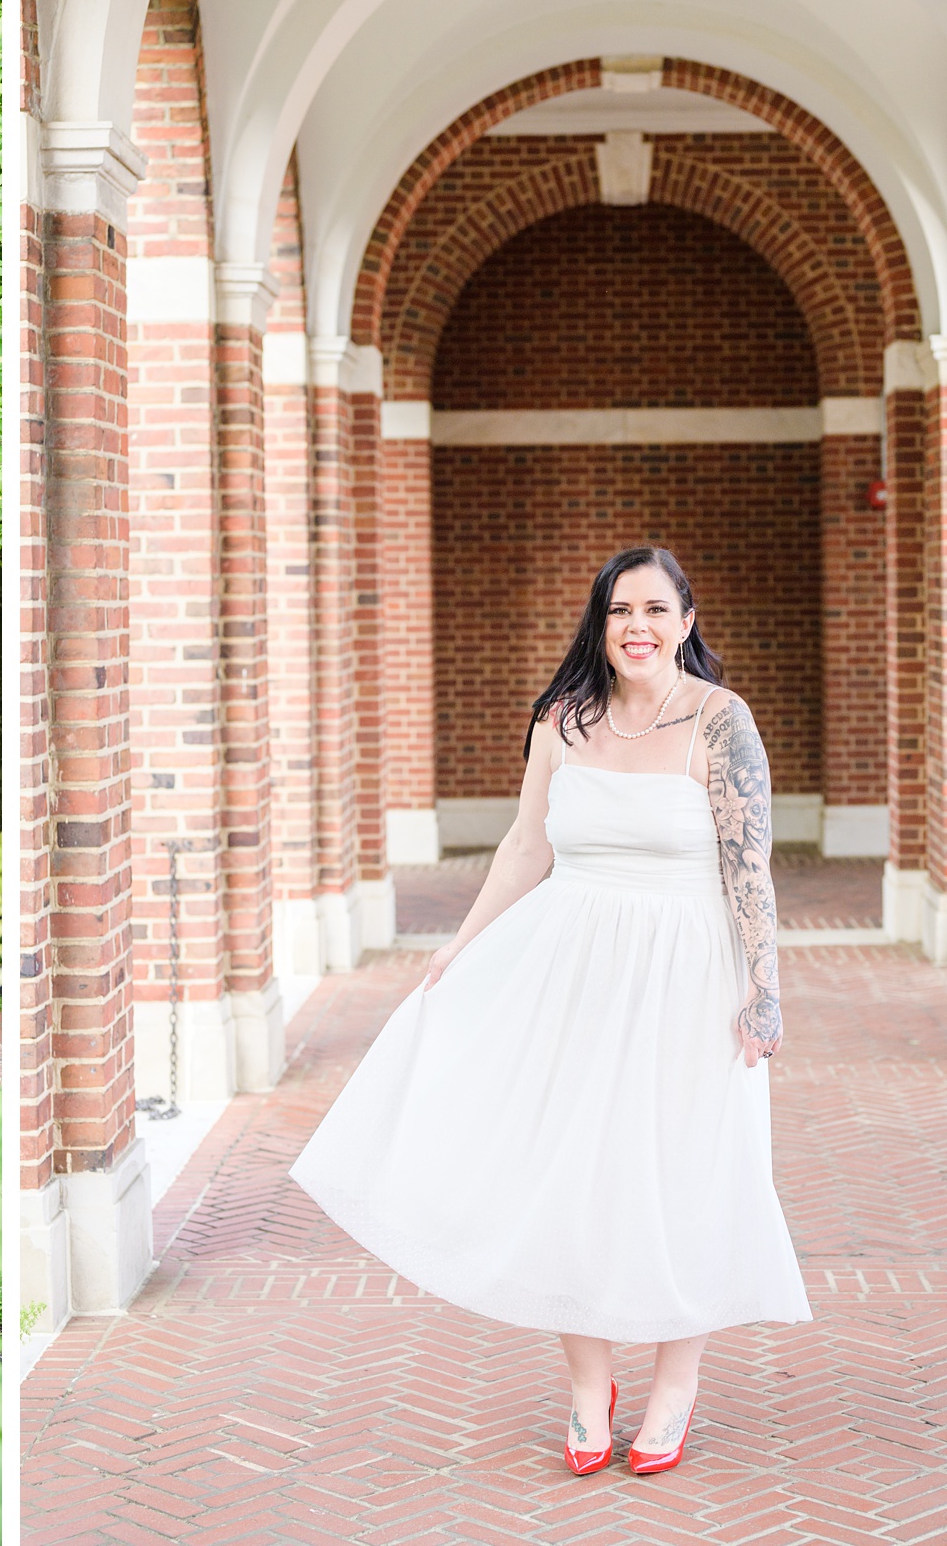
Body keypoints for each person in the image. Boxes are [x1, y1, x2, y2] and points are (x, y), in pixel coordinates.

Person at [291, 545, 806, 1477]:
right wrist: (462, 944)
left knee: (684, 1168)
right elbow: (526, 847)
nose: (636, 627)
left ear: (687, 622)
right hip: (573, 965)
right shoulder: (563, 721)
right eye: (619, 611)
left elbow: (748, 869)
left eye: (655, 609)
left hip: (690, 970)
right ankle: (586, 1387)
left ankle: (674, 1390)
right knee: (575, 1169)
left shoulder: (721, 724)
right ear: (600, 626)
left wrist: (763, 990)